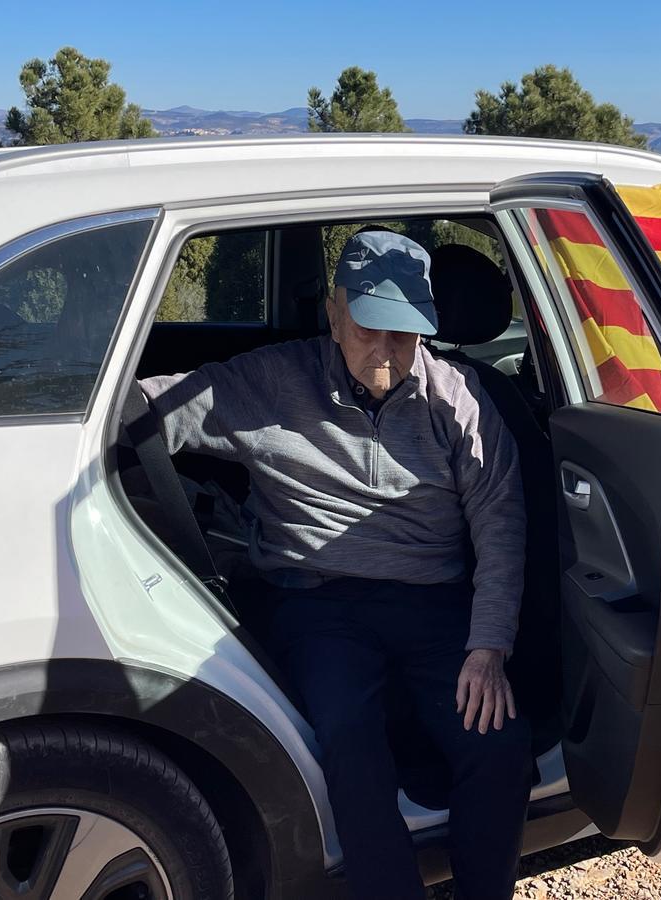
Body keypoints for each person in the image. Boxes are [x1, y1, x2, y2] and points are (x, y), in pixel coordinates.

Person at [140, 230, 531, 899]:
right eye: (369, 329)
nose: (384, 351)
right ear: (334, 313)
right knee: (351, 742)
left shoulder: (459, 400)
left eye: (404, 335)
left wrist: (488, 645)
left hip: (436, 606)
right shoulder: (271, 380)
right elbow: (155, 407)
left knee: (500, 749)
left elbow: (500, 523)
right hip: (318, 603)